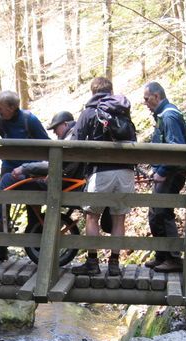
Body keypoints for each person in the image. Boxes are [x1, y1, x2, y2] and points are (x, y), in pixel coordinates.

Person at [0, 111, 79, 262]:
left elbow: (49, 153)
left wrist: (26, 168)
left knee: (7, 181)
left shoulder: (67, 137)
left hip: (48, 179)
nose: (55, 134)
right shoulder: (72, 137)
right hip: (43, 175)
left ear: (65, 124)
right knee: (6, 184)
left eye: (56, 129)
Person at [0, 91, 50, 261]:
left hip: (30, 171)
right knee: (2, 207)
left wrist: (49, 171)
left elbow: (49, 146)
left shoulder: (30, 120)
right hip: (8, 169)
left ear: (12, 108)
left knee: (33, 209)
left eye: (0, 107)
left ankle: (38, 252)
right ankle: (0, 250)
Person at [71, 77, 136, 277]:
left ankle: (92, 263)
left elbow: (76, 142)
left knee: (92, 216)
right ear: (111, 90)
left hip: (101, 172)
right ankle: (114, 264)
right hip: (126, 171)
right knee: (119, 218)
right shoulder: (122, 110)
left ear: (93, 92)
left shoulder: (89, 112)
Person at [142, 81, 186, 273]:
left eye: (146, 98)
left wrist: (162, 171)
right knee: (155, 213)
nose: (145, 102)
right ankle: (162, 255)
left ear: (156, 96)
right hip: (166, 171)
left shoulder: (169, 116)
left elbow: (176, 149)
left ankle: (173, 258)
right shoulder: (163, 114)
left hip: (172, 173)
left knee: (162, 212)